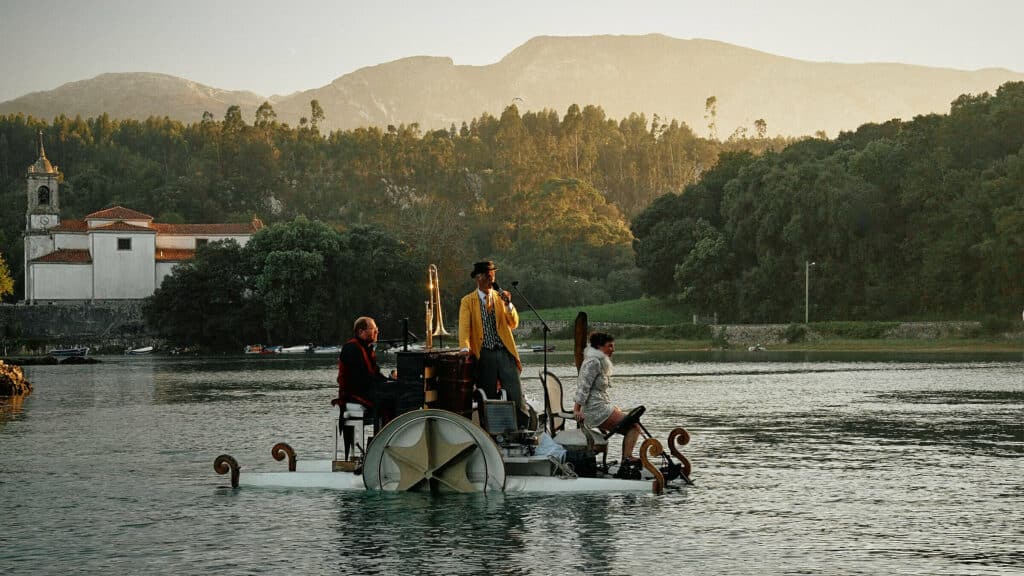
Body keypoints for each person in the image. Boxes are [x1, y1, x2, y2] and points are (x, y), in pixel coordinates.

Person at [458, 260, 527, 427]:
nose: (492, 280)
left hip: (504, 351)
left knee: (515, 392)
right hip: (484, 354)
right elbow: (464, 327)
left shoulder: (499, 297)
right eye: (489, 276)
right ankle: (490, 431)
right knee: (487, 395)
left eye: (493, 276)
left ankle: (522, 429)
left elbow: (513, 323)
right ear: (479, 278)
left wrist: (508, 304)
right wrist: (465, 348)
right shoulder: (468, 301)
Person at [573, 332, 641, 474]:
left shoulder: (598, 361)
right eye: (610, 346)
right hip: (595, 410)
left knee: (632, 424)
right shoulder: (593, 362)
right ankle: (626, 460)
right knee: (634, 426)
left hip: (600, 406)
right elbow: (583, 386)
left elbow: (598, 391)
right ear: (599, 346)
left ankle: (626, 460)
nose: (613, 349)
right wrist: (576, 409)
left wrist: (612, 407)